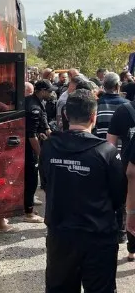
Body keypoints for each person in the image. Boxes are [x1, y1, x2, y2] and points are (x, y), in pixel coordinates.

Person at [41, 89, 124, 292]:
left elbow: (45, 184)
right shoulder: (107, 152)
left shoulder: (49, 147)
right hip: (98, 235)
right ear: (93, 117)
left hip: (61, 234)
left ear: (66, 115)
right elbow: (119, 196)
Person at [24, 80, 55, 222]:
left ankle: (28, 201)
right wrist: (40, 154)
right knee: (31, 178)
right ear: (42, 90)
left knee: (30, 178)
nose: (51, 93)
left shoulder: (36, 101)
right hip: (28, 147)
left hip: (31, 142)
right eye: (49, 91)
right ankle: (28, 212)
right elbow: (31, 134)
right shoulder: (33, 106)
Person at [109, 92, 135, 256]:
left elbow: (111, 142)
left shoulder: (123, 110)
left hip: (127, 164)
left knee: (128, 203)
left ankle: (131, 248)